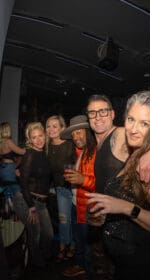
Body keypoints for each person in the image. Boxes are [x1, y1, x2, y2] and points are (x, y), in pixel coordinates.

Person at [86, 91, 150, 280]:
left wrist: (126, 208)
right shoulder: (134, 153)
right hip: (124, 258)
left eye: (144, 123)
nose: (134, 129)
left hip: (145, 261)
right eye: (131, 119)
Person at [86, 94, 150, 195]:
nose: (97, 117)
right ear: (88, 117)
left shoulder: (120, 134)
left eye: (103, 112)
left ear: (112, 114)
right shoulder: (96, 143)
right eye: (92, 113)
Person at [12, 122, 53, 267]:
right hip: (28, 201)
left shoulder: (45, 153)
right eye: (34, 137)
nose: (38, 140)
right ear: (30, 140)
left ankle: (42, 258)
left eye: (40, 135)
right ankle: (35, 266)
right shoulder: (30, 154)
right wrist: (31, 206)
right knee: (35, 234)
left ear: (45, 135)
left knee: (48, 234)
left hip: (41, 203)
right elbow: (23, 182)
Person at [60, 115, 96, 278]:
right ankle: (80, 266)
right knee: (78, 240)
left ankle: (89, 273)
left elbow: (102, 183)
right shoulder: (79, 152)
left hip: (88, 207)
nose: (76, 137)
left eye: (79, 132)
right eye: (73, 135)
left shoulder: (96, 152)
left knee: (86, 244)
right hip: (76, 204)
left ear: (87, 132)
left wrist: (83, 179)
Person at [45, 115, 76, 261]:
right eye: (48, 126)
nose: (50, 129)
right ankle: (64, 245)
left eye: (54, 126)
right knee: (64, 220)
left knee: (74, 220)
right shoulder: (46, 146)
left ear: (62, 128)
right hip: (61, 189)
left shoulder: (71, 144)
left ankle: (73, 245)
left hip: (76, 189)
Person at [0, 122, 25, 198]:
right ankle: (19, 209)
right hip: (9, 168)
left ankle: (9, 208)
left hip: (2, 168)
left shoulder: (0, 142)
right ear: (7, 130)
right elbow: (21, 151)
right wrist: (29, 147)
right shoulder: (8, 141)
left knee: (8, 192)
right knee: (17, 191)